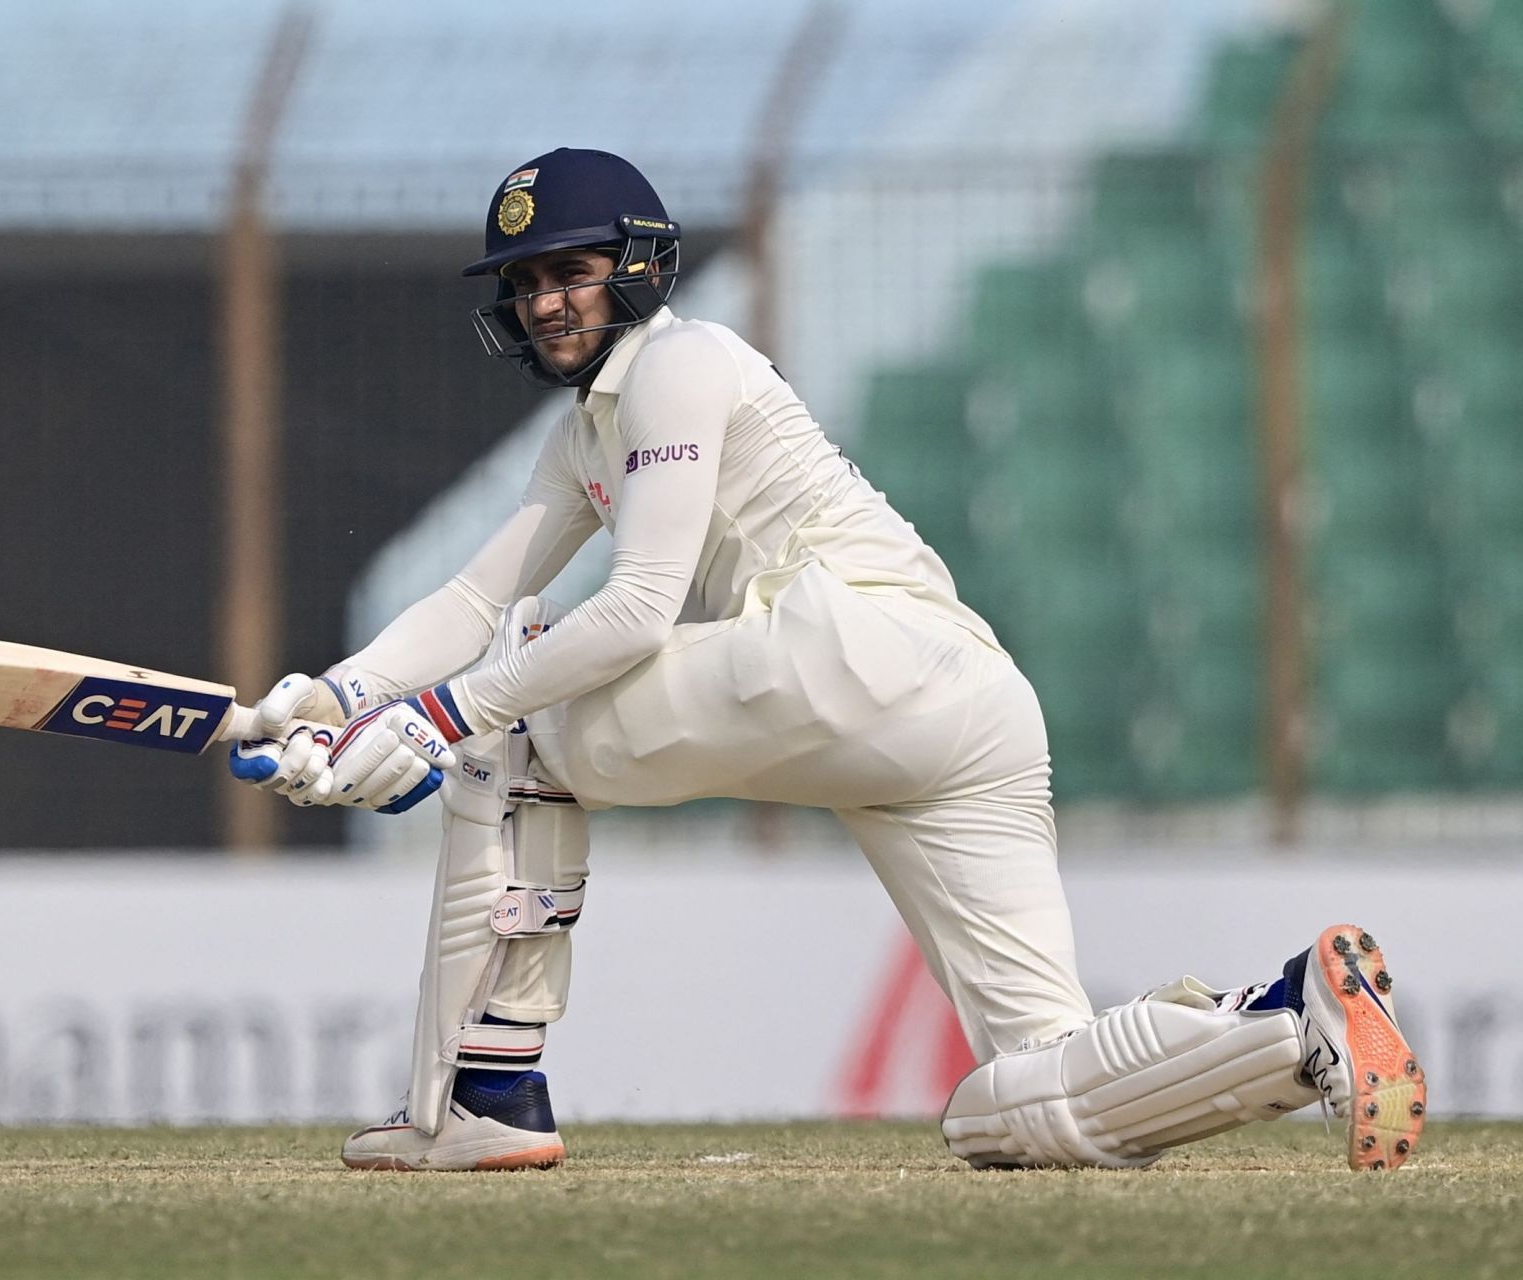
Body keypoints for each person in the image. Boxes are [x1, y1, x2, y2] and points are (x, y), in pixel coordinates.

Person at [228, 147, 1426, 1173]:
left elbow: (641, 610)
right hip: (969, 704)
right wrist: (333, 695)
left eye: (571, 271)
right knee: (1019, 1102)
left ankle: (480, 1103)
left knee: (508, 742)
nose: (546, 301)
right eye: (528, 281)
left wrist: (440, 717)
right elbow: (475, 593)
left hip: (845, 645)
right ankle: (1286, 1019)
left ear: (639, 265)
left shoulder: (680, 364)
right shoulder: (588, 427)